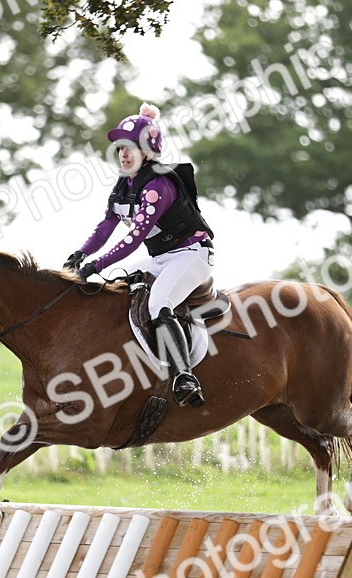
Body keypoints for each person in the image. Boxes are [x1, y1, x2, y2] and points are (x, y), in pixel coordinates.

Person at [64, 103, 214, 409]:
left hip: (192, 255)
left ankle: (185, 376)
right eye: (120, 148)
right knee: (117, 286)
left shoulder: (158, 185)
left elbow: (134, 240)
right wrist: (80, 254)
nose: (123, 154)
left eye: (130, 147)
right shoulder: (124, 186)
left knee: (159, 303)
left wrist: (95, 265)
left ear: (148, 150)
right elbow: (106, 227)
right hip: (160, 258)